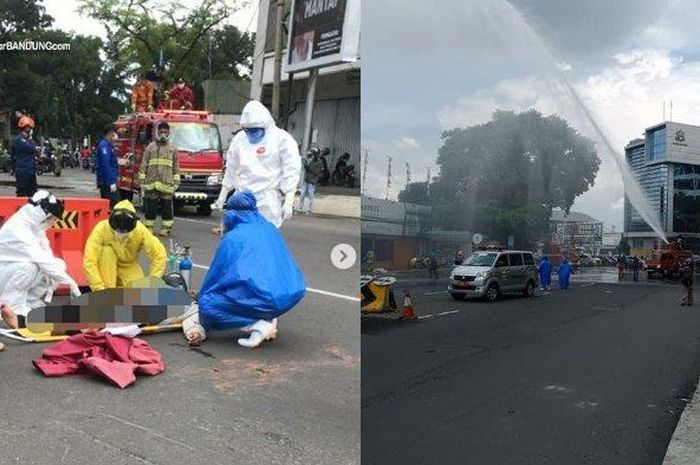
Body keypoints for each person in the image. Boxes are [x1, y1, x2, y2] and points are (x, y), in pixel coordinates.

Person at [184, 191, 305, 348]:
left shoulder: (233, 238)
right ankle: (268, 317)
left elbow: (217, 276)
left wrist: (202, 298)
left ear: (232, 213)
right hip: (291, 293)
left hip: (265, 297)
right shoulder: (269, 228)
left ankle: (259, 326)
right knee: (254, 291)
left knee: (208, 304)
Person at [212, 100, 302, 228]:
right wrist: (222, 196)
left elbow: (291, 171)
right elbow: (231, 169)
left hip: (266, 202)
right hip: (241, 201)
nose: (250, 134)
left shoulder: (282, 140)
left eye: (255, 130)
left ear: (266, 125)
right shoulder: (240, 140)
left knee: (264, 241)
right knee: (239, 240)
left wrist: (288, 201)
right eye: (248, 130)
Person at [0, 191, 81, 330]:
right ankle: (11, 307)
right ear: (43, 214)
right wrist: (71, 283)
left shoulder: (34, 227)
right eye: (52, 219)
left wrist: (64, 276)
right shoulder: (19, 229)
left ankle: (30, 302)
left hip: (11, 271)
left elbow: (47, 256)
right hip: (6, 272)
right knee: (30, 267)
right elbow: (42, 260)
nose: (53, 223)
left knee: (58, 265)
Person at [83, 200, 167, 291]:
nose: (120, 234)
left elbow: (159, 254)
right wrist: (98, 287)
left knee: (139, 293)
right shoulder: (101, 229)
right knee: (107, 251)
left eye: (124, 232)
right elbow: (90, 261)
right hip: (106, 266)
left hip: (128, 266)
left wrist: (153, 280)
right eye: (117, 231)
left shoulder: (140, 230)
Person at [139, 122, 180, 237]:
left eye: (165, 132)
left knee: (166, 207)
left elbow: (176, 167)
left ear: (168, 133)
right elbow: (144, 165)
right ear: (157, 132)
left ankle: (166, 228)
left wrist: (176, 181)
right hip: (151, 184)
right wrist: (142, 180)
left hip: (167, 184)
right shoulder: (150, 148)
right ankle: (149, 227)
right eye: (161, 132)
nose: (163, 134)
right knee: (150, 207)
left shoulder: (173, 149)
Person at [12, 115, 38, 198]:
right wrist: (30, 139)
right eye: (29, 128)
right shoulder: (20, 140)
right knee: (21, 194)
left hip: (30, 170)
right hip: (23, 170)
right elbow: (32, 149)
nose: (30, 130)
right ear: (25, 128)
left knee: (33, 194)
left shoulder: (26, 140)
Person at [96, 124, 120, 209]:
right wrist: (111, 182)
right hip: (107, 182)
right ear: (110, 133)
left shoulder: (109, 145)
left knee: (111, 205)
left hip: (109, 180)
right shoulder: (104, 146)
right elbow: (106, 165)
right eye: (113, 133)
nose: (115, 135)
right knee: (113, 205)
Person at [298, 147, 323, 214]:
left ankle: (310, 209)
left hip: (312, 181)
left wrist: (307, 167)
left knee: (311, 195)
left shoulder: (319, 162)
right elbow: (307, 170)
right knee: (302, 194)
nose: (311, 156)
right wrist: (306, 165)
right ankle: (300, 208)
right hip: (307, 180)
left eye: (313, 154)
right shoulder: (311, 161)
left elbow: (316, 172)